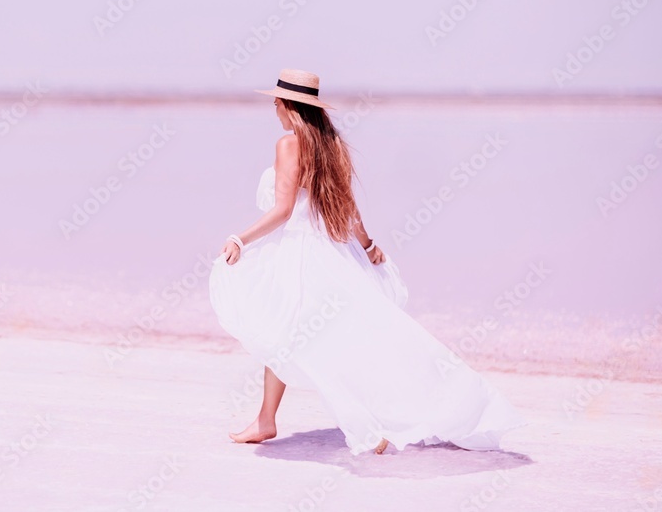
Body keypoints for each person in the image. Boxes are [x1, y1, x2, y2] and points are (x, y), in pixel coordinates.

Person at [208, 69, 525, 456]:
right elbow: (347, 208)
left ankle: (361, 425)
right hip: (333, 253)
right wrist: (368, 245)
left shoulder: (288, 145)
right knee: (307, 336)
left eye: (276, 102)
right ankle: (267, 419)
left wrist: (240, 237)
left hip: (300, 256)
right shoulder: (332, 145)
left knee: (296, 338)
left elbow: (284, 210)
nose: (273, 109)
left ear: (289, 105)